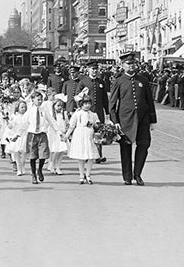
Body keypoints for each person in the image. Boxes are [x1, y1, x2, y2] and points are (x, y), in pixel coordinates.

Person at [108, 51, 157, 186]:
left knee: (144, 145)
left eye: (133, 63)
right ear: (123, 65)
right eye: (128, 64)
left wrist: (152, 120)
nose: (131, 66)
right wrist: (115, 121)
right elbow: (112, 103)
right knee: (126, 148)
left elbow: (149, 101)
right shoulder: (118, 81)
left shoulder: (143, 80)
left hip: (143, 119)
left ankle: (138, 174)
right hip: (125, 120)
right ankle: (127, 176)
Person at [65, 97, 99, 185]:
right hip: (80, 135)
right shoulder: (77, 114)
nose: (87, 106)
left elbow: (98, 125)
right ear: (81, 104)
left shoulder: (93, 114)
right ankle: (81, 175)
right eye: (85, 104)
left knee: (90, 156)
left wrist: (95, 125)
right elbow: (72, 126)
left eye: (89, 104)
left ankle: (88, 175)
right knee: (81, 157)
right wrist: (66, 136)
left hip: (89, 135)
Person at [24, 89, 51, 184]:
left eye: (41, 99)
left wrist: (59, 132)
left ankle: (40, 169)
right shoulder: (29, 111)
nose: (40, 101)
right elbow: (23, 124)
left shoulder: (44, 110)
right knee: (32, 156)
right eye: (38, 99)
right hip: (32, 135)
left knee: (43, 155)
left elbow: (51, 121)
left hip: (42, 134)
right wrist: (17, 135)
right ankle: (33, 174)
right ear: (33, 100)